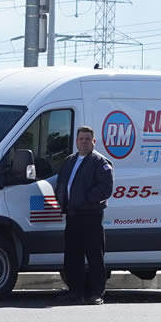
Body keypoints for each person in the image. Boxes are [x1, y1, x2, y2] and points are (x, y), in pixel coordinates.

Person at [52, 125, 114, 305]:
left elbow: (105, 188)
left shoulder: (100, 162)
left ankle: (96, 293)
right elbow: (62, 183)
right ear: (76, 141)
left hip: (91, 216)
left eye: (87, 139)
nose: (84, 142)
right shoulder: (70, 160)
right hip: (72, 215)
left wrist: (85, 200)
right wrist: (62, 200)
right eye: (81, 139)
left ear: (94, 142)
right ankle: (75, 292)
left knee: (94, 256)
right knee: (72, 256)